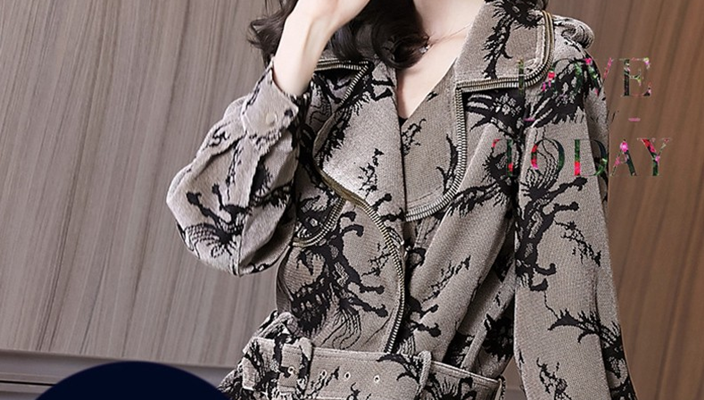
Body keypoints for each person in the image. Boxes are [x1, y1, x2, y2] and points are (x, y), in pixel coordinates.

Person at [165, 0, 640, 399]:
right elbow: (220, 235)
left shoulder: (545, 68)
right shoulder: (339, 53)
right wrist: (305, 28)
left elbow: (567, 316)